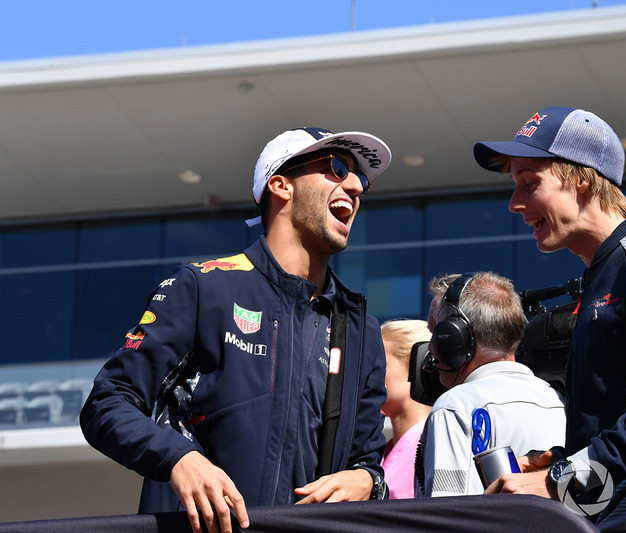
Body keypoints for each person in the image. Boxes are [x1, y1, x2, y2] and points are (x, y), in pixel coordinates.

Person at [80, 127, 392, 533]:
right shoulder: (203, 287)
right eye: (336, 168)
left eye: (360, 180)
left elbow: (366, 460)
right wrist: (179, 459)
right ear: (280, 186)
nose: (354, 187)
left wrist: (367, 480)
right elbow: (107, 404)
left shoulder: (359, 329)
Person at [474, 106, 626, 532]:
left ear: (582, 180)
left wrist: (562, 481)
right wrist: (565, 458)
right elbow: (623, 415)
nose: (515, 204)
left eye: (530, 183)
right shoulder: (600, 275)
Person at [415, 271, 566, 498]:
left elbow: (446, 512)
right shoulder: (560, 401)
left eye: (436, 334)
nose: (430, 349)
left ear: (455, 338)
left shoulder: (455, 407)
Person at [379, 319, 433, 499]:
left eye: (379, 365)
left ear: (415, 367)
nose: (368, 374)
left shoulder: (432, 445)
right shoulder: (379, 451)